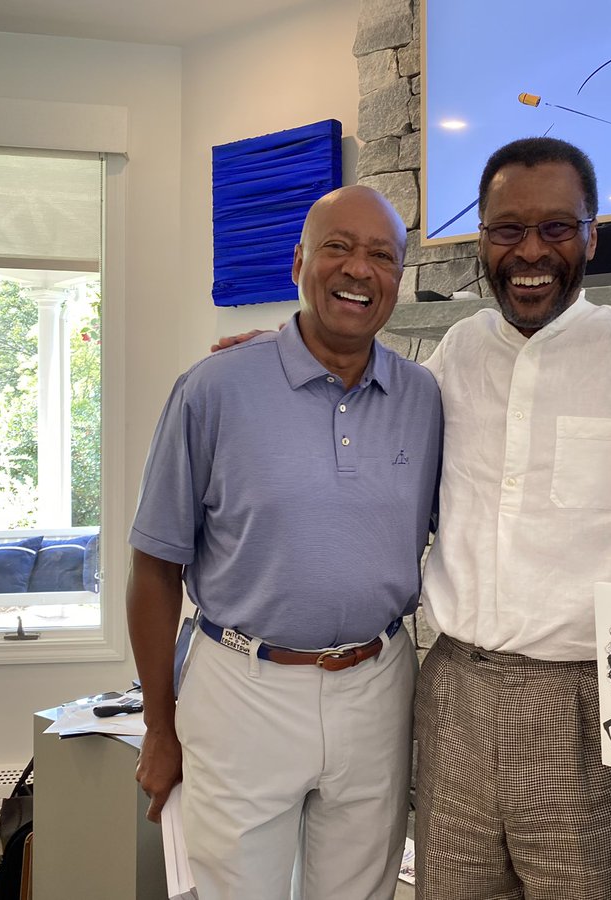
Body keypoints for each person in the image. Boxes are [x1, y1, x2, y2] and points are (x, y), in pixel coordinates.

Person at [126, 184, 442, 900]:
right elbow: (153, 567)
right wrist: (159, 725)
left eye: (382, 255)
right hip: (243, 686)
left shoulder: (426, 398)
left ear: (399, 277)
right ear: (298, 261)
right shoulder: (213, 389)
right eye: (338, 247)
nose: (359, 269)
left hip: (380, 683)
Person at [413, 136, 611, 899]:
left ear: (592, 236)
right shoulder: (455, 354)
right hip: (453, 692)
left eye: (556, 228)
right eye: (507, 230)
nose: (530, 251)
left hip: (589, 697)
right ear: (482, 238)